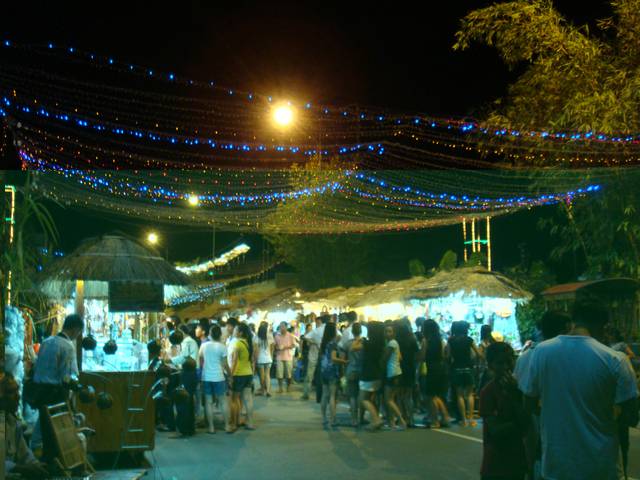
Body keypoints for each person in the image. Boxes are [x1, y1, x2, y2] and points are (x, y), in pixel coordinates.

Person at [522, 303, 639, 480]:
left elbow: (528, 403)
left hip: (558, 464)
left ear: (573, 322)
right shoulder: (616, 359)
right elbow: (631, 416)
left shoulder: (541, 352)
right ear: (604, 326)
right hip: (601, 465)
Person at [31, 313, 83, 465]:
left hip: (40, 392)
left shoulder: (46, 342)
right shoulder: (67, 346)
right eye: (78, 332)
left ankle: (42, 460)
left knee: (43, 428)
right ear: (75, 329)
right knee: (55, 434)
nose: (77, 336)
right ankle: (55, 464)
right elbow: (68, 378)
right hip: (55, 395)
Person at [480, 342, 528, 480]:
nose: (506, 367)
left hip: (517, 463)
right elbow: (496, 430)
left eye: (509, 361)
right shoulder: (488, 392)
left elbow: (527, 425)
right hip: (495, 466)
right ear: (490, 365)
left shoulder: (520, 388)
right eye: (500, 363)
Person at [2, 373, 49, 479]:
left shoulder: (12, 423)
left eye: (17, 390)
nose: (17, 396)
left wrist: (37, 466)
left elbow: (25, 454)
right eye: (10, 392)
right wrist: (18, 468)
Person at [446, 321, 480, 427]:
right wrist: (474, 362)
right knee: (470, 394)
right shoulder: (469, 340)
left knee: (459, 395)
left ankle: (464, 420)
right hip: (468, 368)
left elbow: (447, 355)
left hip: (456, 368)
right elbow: (479, 353)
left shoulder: (451, 340)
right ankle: (471, 420)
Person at [198, 324, 230, 434]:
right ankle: (227, 426)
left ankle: (211, 427)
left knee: (208, 402)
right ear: (220, 335)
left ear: (210, 334)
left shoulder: (204, 346)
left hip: (206, 377)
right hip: (219, 377)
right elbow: (225, 364)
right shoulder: (222, 347)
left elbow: (200, 360)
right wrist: (230, 375)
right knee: (223, 401)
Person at [420, 319, 452, 428]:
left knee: (430, 396)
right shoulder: (440, 340)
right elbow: (445, 355)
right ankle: (445, 417)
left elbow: (422, 357)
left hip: (432, 369)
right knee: (437, 395)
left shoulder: (426, 341)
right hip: (442, 368)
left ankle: (435, 421)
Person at [357, 322, 385, 430]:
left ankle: (376, 420)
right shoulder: (381, 343)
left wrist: (360, 340)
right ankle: (376, 418)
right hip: (377, 374)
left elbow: (353, 348)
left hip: (368, 374)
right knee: (372, 399)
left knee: (363, 399)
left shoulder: (368, 343)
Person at [229, 322, 255, 432]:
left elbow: (234, 361)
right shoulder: (249, 343)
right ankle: (249, 422)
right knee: (248, 399)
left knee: (234, 400)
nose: (234, 331)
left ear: (240, 333)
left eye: (235, 330)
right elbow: (252, 359)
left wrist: (231, 375)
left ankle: (234, 424)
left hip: (238, 374)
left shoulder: (237, 344)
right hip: (248, 373)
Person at [319, 323, 347, 427]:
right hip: (332, 371)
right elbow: (334, 358)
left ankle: (324, 418)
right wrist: (344, 361)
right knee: (332, 396)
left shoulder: (323, 343)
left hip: (323, 371)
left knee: (324, 395)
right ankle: (332, 419)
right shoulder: (333, 344)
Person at [383, 323, 407, 430]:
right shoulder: (395, 343)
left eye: (389, 331)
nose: (387, 333)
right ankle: (392, 423)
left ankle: (401, 420)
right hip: (397, 372)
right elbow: (400, 357)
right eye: (386, 331)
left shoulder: (391, 343)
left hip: (392, 373)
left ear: (394, 333)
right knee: (392, 399)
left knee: (389, 399)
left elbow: (385, 358)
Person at [396, 319, 419, 427]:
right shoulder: (412, 339)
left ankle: (402, 417)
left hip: (399, 369)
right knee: (408, 396)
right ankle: (411, 418)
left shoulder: (396, 341)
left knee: (400, 395)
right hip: (410, 368)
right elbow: (417, 354)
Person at [345, 322, 364, 427]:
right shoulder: (364, 342)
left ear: (352, 331)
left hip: (351, 370)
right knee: (361, 396)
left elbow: (344, 358)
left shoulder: (348, 343)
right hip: (362, 371)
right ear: (361, 331)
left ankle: (353, 420)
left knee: (352, 396)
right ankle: (361, 418)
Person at [302, 314, 325, 400]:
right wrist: (314, 342)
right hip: (316, 356)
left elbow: (305, 338)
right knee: (312, 376)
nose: (317, 324)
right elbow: (305, 338)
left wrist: (314, 342)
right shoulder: (315, 331)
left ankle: (307, 394)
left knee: (310, 376)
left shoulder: (316, 331)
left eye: (317, 322)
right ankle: (307, 393)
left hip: (315, 357)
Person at [274, 321, 297, 393]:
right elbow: (274, 345)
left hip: (288, 357)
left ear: (286, 327)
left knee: (288, 373)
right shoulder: (277, 336)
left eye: (283, 326)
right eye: (281, 326)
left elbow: (293, 345)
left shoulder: (290, 335)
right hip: (279, 356)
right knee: (279, 373)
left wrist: (285, 347)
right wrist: (277, 347)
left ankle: (288, 387)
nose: (282, 328)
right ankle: (280, 388)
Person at [254, 321, 275, 397]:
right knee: (267, 375)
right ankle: (268, 391)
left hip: (260, 360)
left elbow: (256, 350)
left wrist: (254, 360)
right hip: (268, 358)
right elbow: (273, 346)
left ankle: (263, 390)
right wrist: (271, 355)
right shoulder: (269, 335)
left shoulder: (257, 337)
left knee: (262, 376)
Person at [477, 324, 496, 393]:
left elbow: (480, 355)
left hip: (485, 368)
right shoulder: (493, 341)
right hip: (493, 366)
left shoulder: (482, 343)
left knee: (484, 387)